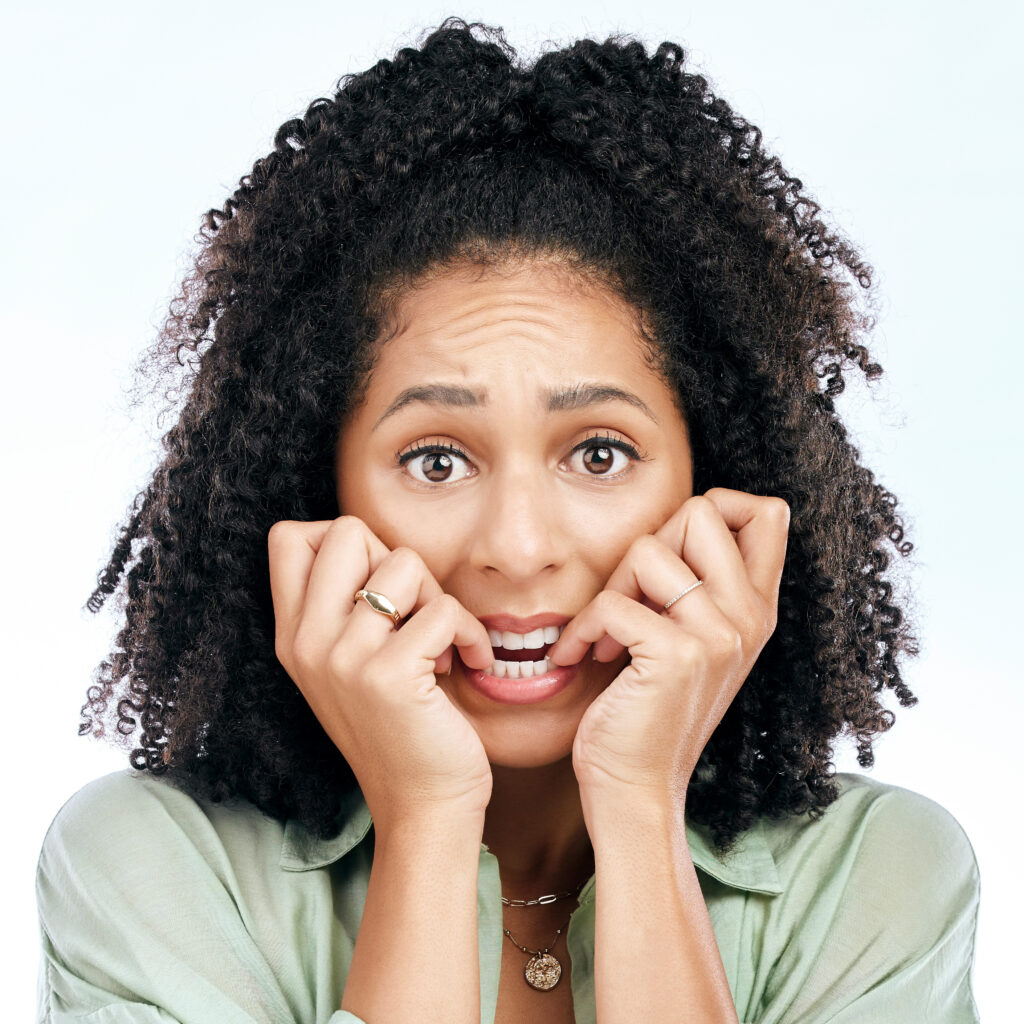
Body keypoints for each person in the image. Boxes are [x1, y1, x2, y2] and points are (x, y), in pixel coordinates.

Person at [35, 17, 981, 1024]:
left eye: (598, 453)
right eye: (435, 460)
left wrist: (638, 805)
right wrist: (428, 823)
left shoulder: (878, 880)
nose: (519, 550)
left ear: (716, 489)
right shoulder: (149, 869)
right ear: (320, 499)